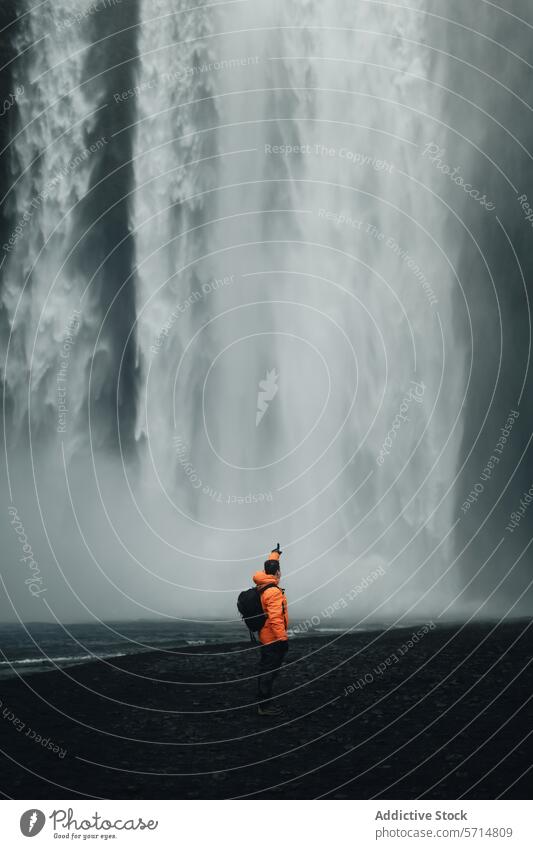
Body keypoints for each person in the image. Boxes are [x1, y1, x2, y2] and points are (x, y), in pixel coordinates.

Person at [253, 547, 289, 717]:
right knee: (269, 672)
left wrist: (275, 554)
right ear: (277, 573)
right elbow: (275, 618)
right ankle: (264, 706)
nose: (281, 574)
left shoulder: (262, 583)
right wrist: (283, 639)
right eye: (279, 571)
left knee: (265, 669)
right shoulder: (273, 591)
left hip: (264, 637)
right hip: (273, 640)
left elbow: (270, 566)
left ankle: (264, 703)